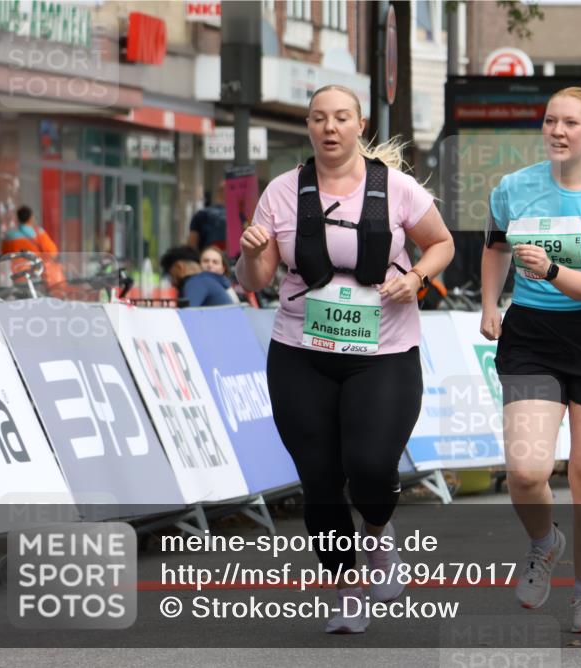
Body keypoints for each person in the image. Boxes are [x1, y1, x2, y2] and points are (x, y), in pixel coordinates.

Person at [235, 84, 454, 634]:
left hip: (383, 352)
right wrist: (250, 252)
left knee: (371, 467)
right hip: (301, 353)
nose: (329, 128)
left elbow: (442, 243)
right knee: (320, 479)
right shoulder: (282, 193)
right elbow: (255, 282)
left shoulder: (397, 189)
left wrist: (418, 279)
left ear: (359, 126)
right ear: (308, 127)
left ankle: (378, 539)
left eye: (340, 118)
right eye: (318, 119)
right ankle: (348, 588)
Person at [480, 86, 581, 634]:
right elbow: (495, 244)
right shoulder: (515, 187)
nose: (557, 130)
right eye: (550, 120)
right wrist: (489, 305)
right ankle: (544, 542)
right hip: (533, 336)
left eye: (570, 123)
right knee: (526, 472)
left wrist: (550, 270)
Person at [0, 205, 66, 293]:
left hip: (17, 275)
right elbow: (52, 252)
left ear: (18, 218)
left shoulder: (9, 236)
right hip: (36, 275)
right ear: (31, 218)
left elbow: (5, 254)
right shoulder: (38, 233)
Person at [160, 245, 235, 307]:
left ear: (180, 267)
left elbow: (187, 315)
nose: (173, 281)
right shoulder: (206, 281)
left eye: (172, 275)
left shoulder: (196, 282)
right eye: (206, 261)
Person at [188, 182, 227, 251]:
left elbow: (192, 244)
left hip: (207, 258)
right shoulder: (241, 217)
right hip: (234, 260)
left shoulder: (201, 215)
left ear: (218, 193)